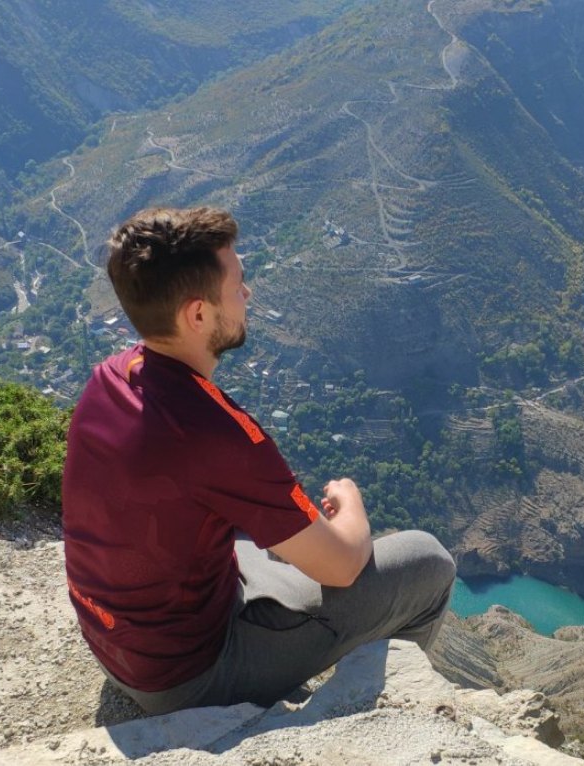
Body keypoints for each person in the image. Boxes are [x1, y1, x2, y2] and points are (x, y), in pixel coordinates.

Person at [62, 206, 456, 715]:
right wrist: (351, 504)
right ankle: (375, 712)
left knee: (278, 538)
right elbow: (341, 566)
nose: (247, 295)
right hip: (190, 678)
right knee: (427, 562)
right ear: (198, 314)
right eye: (238, 284)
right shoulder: (218, 434)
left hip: (117, 639)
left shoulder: (110, 378)